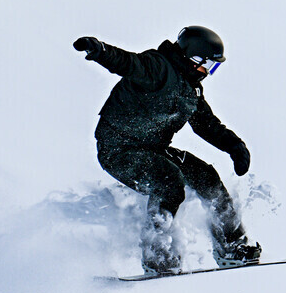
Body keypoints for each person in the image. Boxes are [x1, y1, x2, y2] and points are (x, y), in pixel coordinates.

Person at [73, 26, 261, 274]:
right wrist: (100, 50)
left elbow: (206, 124)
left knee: (206, 176)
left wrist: (234, 146)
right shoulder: (157, 68)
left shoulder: (190, 88)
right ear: (193, 59)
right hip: (118, 150)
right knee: (168, 180)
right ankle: (156, 254)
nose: (209, 72)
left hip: (152, 149)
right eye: (209, 65)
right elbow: (127, 63)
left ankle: (231, 246)